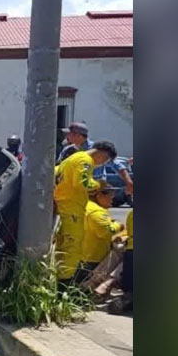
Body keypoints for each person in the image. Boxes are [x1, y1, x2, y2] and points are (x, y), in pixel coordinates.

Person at [53, 140, 117, 282]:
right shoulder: (85, 160)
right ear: (104, 154)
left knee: (63, 245)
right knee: (73, 245)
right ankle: (65, 280)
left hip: (65, 206)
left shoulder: (72, 159)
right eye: (105, 161)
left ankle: (59, 276)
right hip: (72, 208)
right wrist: (99, 184)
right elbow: (84, 184)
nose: (101, 164)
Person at [57, 121, 133, 196]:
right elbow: (60, 167)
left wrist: (129, 182)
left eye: (69, 134)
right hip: (74, 192)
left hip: (96, 193)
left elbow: (118, 166)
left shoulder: (99, 149)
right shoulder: (68, 150)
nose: (66, 136)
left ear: (78, 135)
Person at [74, 182, 126, 285]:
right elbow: (106, 232)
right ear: (99, 195)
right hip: (93, 259)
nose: (112, 198)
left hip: (81, 255)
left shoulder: (84, 205)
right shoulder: (97, 212)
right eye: (110, 194)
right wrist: (118, 225)